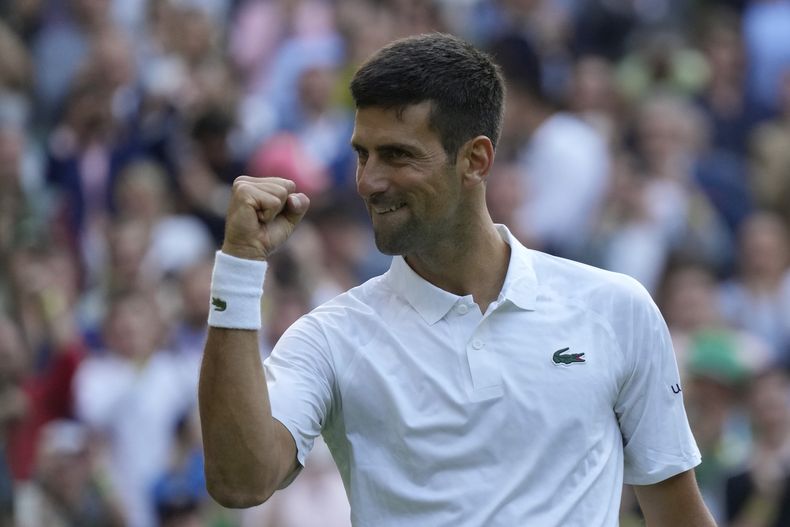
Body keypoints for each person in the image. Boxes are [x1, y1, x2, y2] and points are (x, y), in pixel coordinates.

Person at [199, 33, 715, 526]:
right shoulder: (329, 337)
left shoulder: (616, 308)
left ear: (475, 160)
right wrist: (239, 267)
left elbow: (676, 512)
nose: (369, 182)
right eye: (363, 154)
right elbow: (240, 482)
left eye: (397, 155)